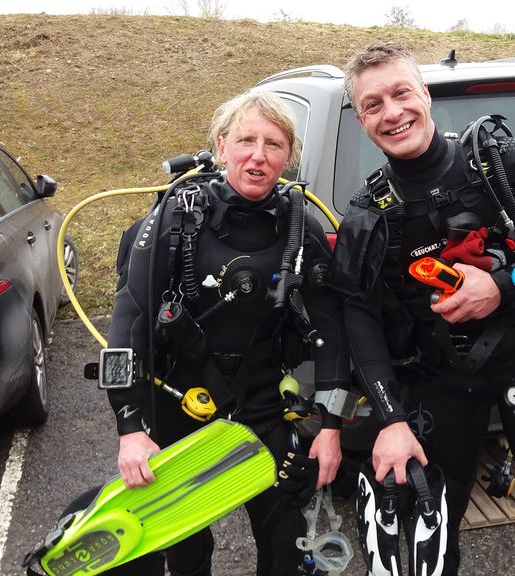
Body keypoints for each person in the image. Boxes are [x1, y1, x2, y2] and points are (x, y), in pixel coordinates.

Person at [328, 42, 515, 576]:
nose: (392, 112)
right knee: (437, 518)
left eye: (401, 93)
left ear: (425, 94)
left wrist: (503, 285)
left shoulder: (496, 160)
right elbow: (359, 321)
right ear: (361, 120)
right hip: (441, 380)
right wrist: (390, 418)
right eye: (372, 104)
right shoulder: (366, 215)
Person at [100, 91, 352, 575]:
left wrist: (331, 427)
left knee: (284, 542)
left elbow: (331, 330)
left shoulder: (301, 228)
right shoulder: (175, 220)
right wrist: (130, 429)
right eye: (246, 140)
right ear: (221, 146)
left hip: (262, 405)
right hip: (179, 406)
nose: (258, 155)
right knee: (186, 550)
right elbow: (129, 320)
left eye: (274, 144)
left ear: (288, 156)